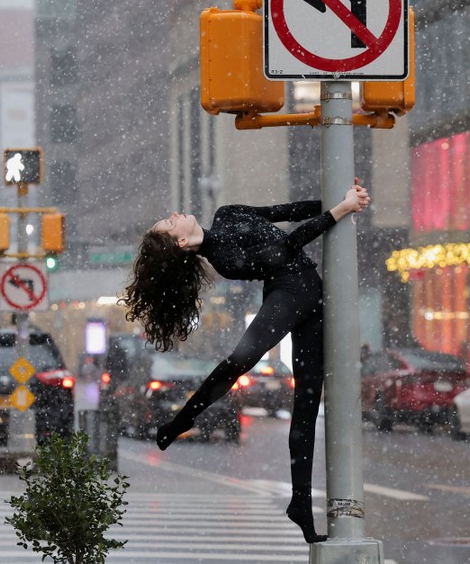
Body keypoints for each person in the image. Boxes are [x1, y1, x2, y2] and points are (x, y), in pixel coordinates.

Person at [121, 180, 370, 543]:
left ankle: (300, 502)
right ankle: (179, 422)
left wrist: (338, 200)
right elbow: (286, 247)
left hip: (311, 296)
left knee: (307, 400)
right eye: (170, 222)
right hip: (287, 293)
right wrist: (340, 210)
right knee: (240, 359)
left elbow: (282, 213)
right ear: (181, 243)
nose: (175, 214)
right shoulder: (223, 260)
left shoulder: (226, 214)